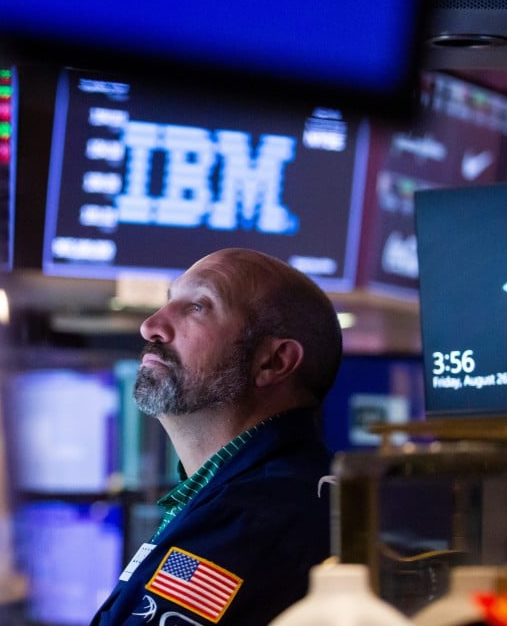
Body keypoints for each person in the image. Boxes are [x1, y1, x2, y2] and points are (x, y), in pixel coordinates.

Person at [91, 248, 342, 625]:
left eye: (198, 307)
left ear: (272, 362)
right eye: (170, 301)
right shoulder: (251, 495)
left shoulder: (248, 520)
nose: (151, 326)